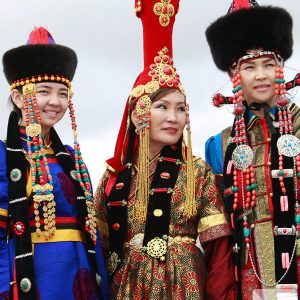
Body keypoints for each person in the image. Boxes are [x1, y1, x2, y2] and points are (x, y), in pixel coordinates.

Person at [94, 0, 235, 299]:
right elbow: (97, 252)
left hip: (185, 287)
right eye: (162, 107)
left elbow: (219, 250)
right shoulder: (113, 178)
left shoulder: (197, 172)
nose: (174, 118)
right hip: (126, 289)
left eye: (181, 108)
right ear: (137, 114)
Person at [0, 27, 108, 299]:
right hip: (37, 276)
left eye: (62, 93)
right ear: (18, 97)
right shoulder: (4, 155)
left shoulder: (71, 157)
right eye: (44, 91)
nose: (55, 102)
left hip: (82, 271)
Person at [205, 0, 299, 299]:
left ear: (281, 69)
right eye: (249, 67)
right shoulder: (220, 146)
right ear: (235, 76)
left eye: (268, 65)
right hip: (249, 271)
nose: (261, 75)